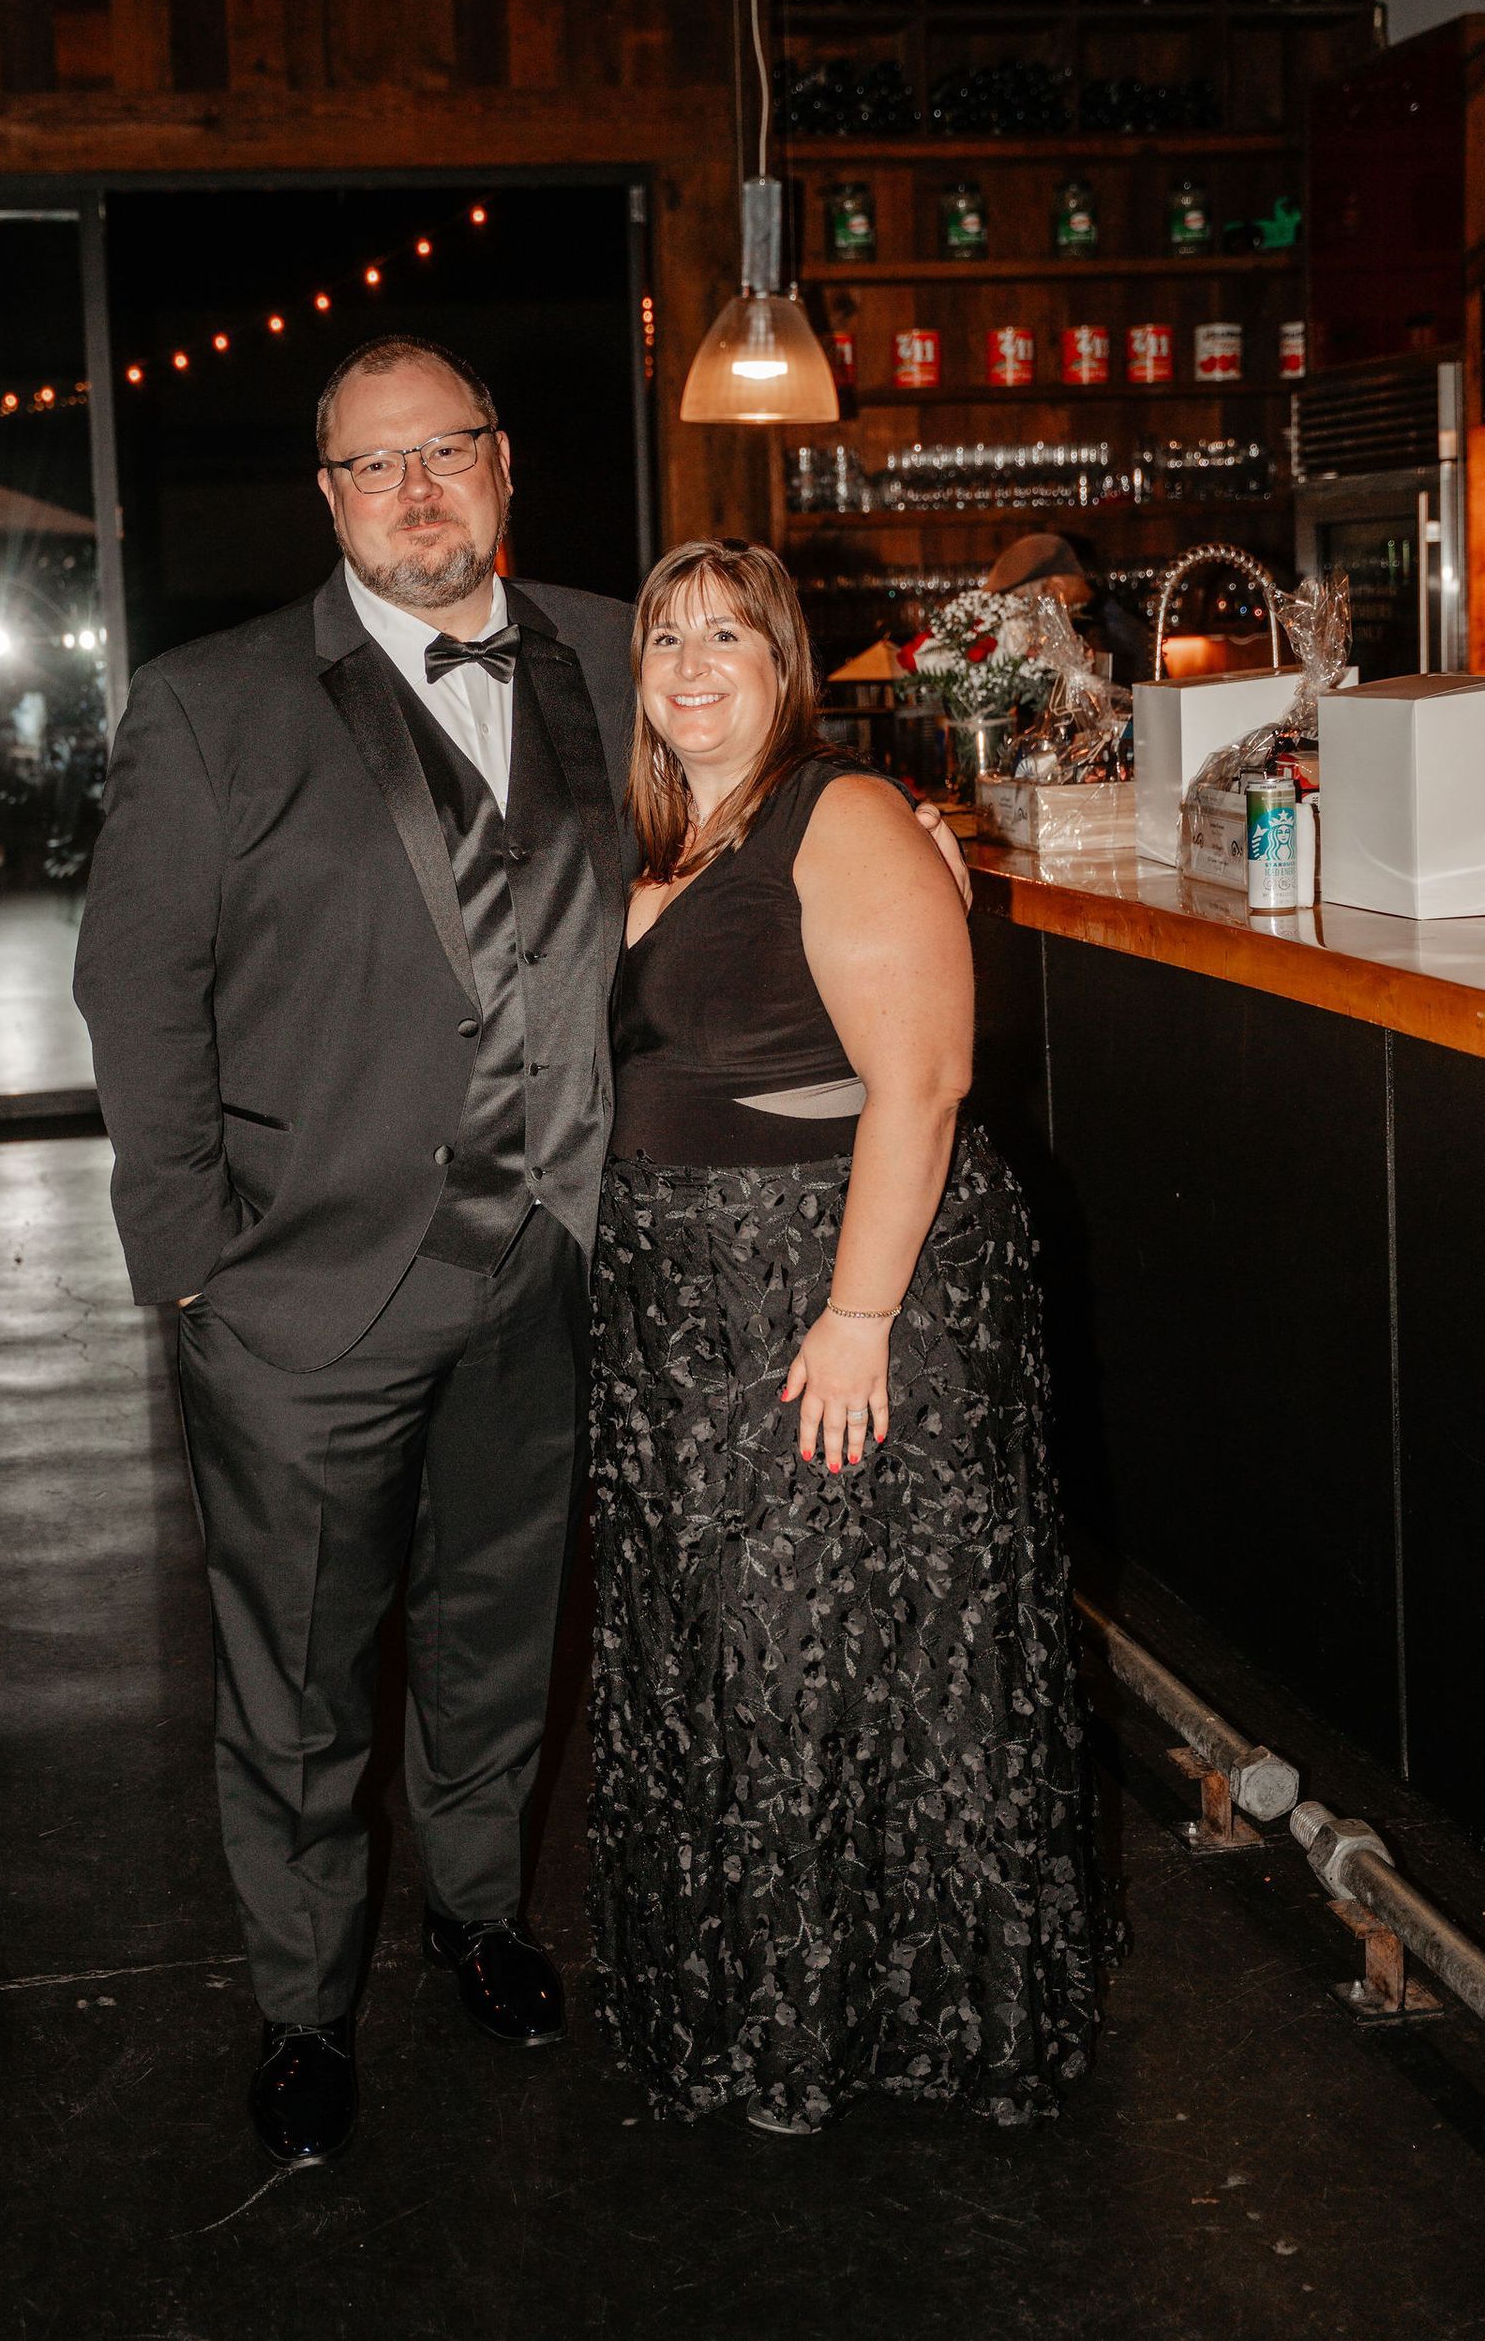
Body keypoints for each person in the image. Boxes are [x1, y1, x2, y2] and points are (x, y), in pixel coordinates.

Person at [74, 342, 968, 2171]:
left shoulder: (616, 649)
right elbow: (136, 994)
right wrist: (191, 1266)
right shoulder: (210, 702)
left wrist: (905, 830)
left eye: (447, 452)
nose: (416, 489)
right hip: (299, 1293)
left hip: (556, 1266)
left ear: (505, 464)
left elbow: (755, 792)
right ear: (328, 497)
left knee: (495, 1639)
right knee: (300, 1681)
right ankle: (306, 2003)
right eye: (372, 463)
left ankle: (480, 1915)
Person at [589, 539, 1106, 2135]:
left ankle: (905, 2020)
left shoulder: (846, 813)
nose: (689, 663)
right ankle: (774, 2008)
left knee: (859, 1655)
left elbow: (925, 1079)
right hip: (696, 1318)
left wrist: (861, 1314)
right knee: (747, 1665)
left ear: (786, 660)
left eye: (727, 635)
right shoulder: (669, 840)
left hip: (835, 1300)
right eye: (665, 636)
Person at [985, 530, 1150, 687]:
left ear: (1055, 587)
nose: (1024, 614)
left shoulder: (1101, 635)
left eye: (1025, 601)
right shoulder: (1113, 618)